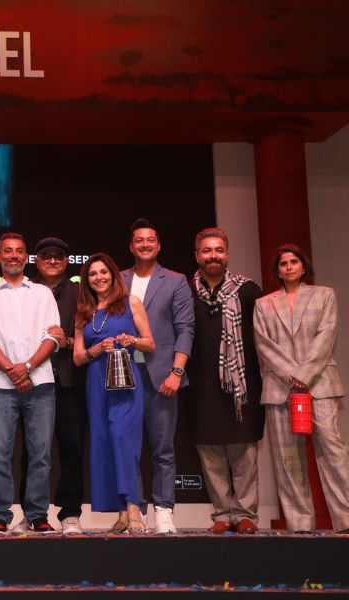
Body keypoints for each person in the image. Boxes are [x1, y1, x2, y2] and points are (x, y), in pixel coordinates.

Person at [253, 244, 349, 534]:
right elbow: (264, 344)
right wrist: (291, 375)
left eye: (294, 262)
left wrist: (304, 374)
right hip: (280, 386)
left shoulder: (324, 295)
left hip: (320, 383)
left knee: (333, 452)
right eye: (283, 264)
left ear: (304, 266)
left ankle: (345, 520)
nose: (289, 267)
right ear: (278, 271)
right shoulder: (264, 304)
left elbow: (326, 336)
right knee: (288, 458)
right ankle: (300, 525)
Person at [0, 232, 60, 535]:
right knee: (0, 456)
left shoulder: (43, 293)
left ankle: (37, 515)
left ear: (26, 257)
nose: (14, 255)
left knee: (41, 455)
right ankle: (0, 516)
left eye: (19, 251)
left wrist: (26, 368)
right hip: (1, 386)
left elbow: (52, 336)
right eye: (8, 251)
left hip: (41, 384)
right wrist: (13, 372)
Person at [187, 227, 264, 534]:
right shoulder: (186, 292)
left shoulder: (248, 291)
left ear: (227, 254)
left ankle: (245, 515)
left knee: (244, 454)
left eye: (219, 250)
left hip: (242, 386)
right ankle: (221, 515)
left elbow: (264, 336)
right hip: (201, 385)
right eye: (207, 250)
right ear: (197, 256)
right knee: (211, 454)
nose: (213, 256)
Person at [73, 252, 155, 534]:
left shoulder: (131, 303)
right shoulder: (83, 311)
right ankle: (121, 513)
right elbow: (77, 357)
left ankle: (133, 509)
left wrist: (133, 340)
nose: (99, 278)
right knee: (104, 443)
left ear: (113, 274)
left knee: (123, 440)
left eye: (103, 272)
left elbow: (150, 343)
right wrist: (95, 350)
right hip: (96, 383)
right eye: (93, 274)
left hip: (125, 382)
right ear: (87, 280)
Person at [121, 219, 194, 533]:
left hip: (162, 375)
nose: (145, 244)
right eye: (139, 240)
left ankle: (164, 510)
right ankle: (135, 511)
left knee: (163, 448)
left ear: (159, 245)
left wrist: (176, 372)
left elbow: (185, 329)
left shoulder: (175, 280)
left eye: (150, 240)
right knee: (128, 449)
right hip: (124, 375)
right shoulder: (118, 279)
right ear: (131, 246)